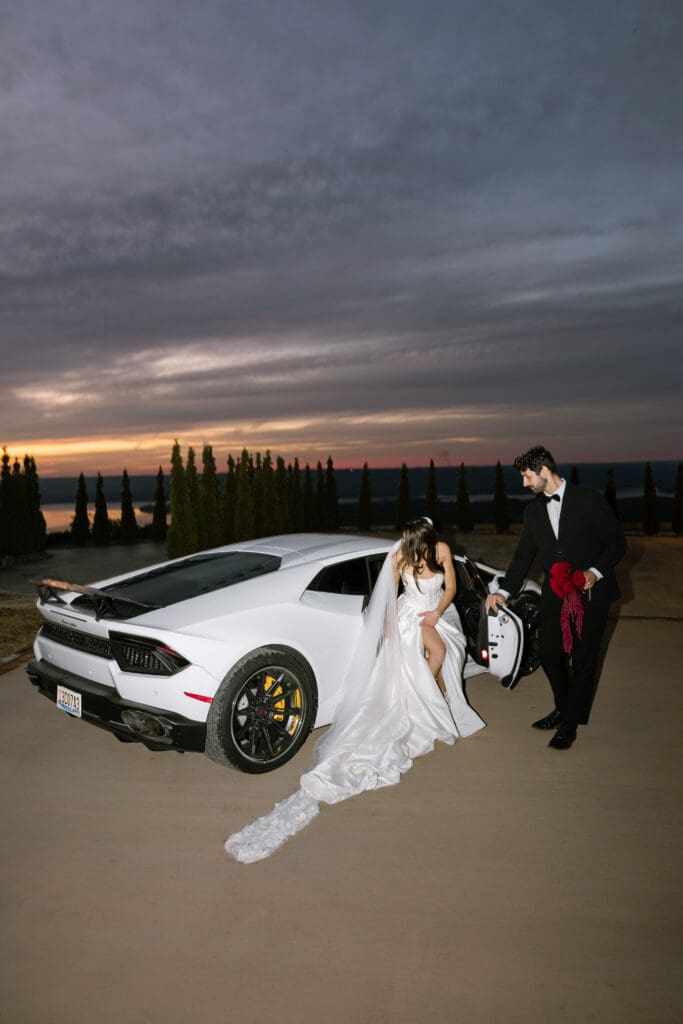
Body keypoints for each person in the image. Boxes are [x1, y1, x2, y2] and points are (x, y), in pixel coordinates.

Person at [226, 518, 484, 862]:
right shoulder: (400, 556)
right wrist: (389, 625)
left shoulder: (441, 550)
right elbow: (388, 593)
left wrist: (437, 612)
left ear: (426, 539)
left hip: (435, 613)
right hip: (409, 616)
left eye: (411, 539)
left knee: (443, 654)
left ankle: (424, 698)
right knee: (437, 653)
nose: (405, 542)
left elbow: (451, 587)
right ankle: (420, 702)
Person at [485, 446, 626, 751]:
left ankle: (569, 725)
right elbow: (523, 556)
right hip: (555, 595)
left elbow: (616, 544)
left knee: (584, 661)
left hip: (591, 595)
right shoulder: (534, 511)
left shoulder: (590, 500)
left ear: (544, 471)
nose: (525, 483)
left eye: (527, 476)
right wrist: (503, 591)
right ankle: (564, 706)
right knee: (549, 653)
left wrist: (595, 572)